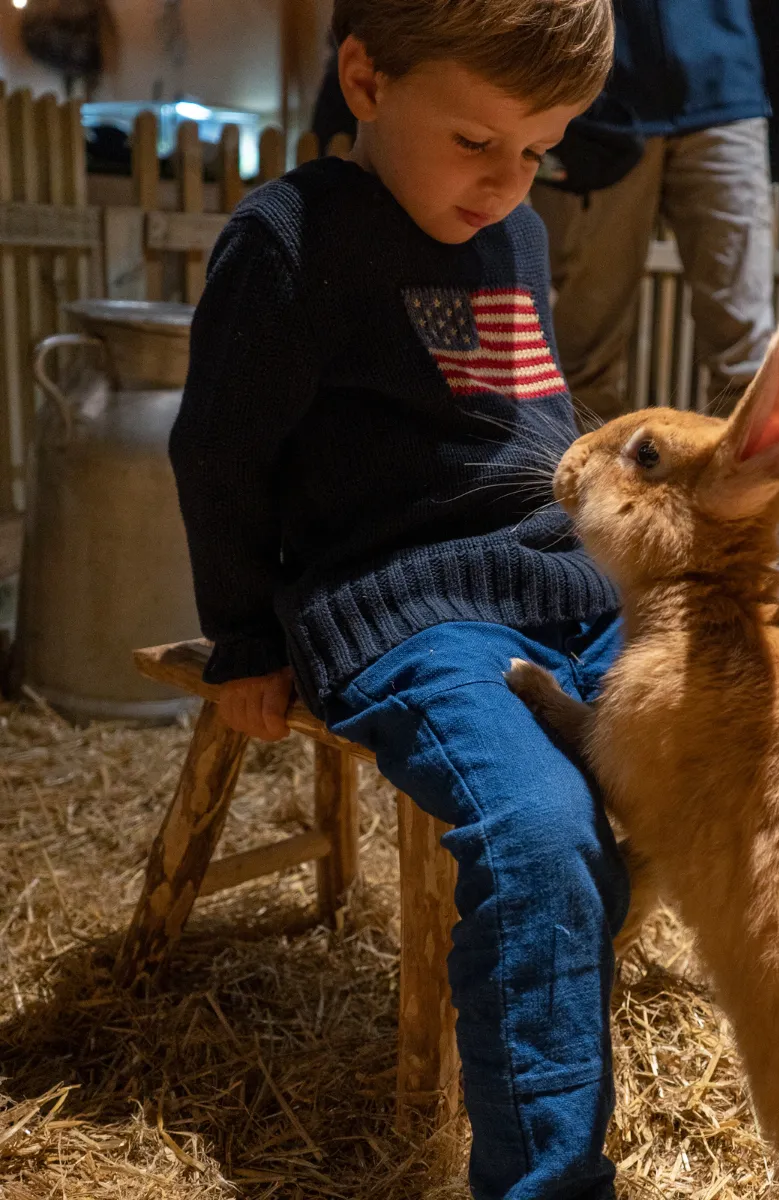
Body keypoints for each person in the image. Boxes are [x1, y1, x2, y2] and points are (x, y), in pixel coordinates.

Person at [168, 2, 630, 1197]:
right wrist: (247, 636)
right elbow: (220, 455)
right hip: (410, 609)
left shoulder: (512, 236)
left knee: (776, 719)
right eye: (477, 140)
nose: (507, 184)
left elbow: (526, 426)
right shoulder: (289, 242)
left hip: (563, 583)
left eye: (538, 151)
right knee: (537, 831)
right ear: (365, 78)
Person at [530, 0, 775, 419]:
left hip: (721, 82)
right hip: (590, 97)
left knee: (748, 356)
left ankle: (744, 484)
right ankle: (588, 482)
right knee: (581, 352)